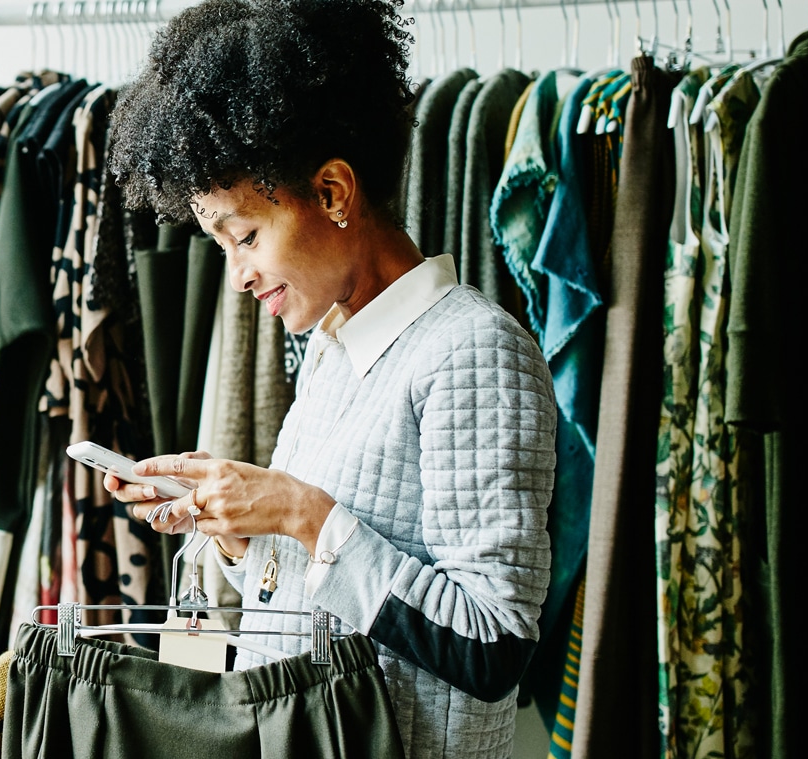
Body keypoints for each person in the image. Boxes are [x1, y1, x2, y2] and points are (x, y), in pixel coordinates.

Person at [104, 1, 557, 757]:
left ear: (334, 193)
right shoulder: (332, 346)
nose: (238, 276)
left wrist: (303, 511)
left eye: (244, 236)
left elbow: (494, 643)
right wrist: (243, 532)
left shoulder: (474, 352)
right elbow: (320, 609)